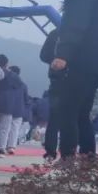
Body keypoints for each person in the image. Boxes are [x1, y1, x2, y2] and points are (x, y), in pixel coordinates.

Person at [51, 0, 98, 159]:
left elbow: (75, 28)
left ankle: (68, 158)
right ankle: (87, 156)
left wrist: (63, 55)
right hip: (94, 64)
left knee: (67, 110)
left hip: (82, 62)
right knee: (80, 113)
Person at [39, 28, 63, 161]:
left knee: (54, 117)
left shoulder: (55, 33)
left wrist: (54, 61)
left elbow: (44, 55)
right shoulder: (82, 33)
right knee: (73, 117)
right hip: (75, 79)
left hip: (56, 78)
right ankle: (69, 152)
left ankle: (50, 152)